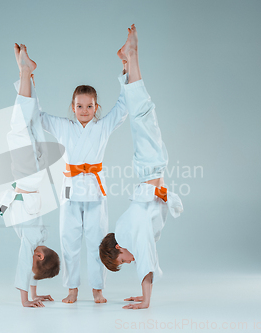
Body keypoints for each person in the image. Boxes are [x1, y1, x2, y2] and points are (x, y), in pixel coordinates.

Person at [14, 42, 129, 304]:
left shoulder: (102, 127)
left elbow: (123, 107)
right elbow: (37, 117)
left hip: (96, 194)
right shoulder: (64, 127)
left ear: (96, 107)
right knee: (69, 242)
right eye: (79, 106)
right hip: (69, 192)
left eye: (89, 106)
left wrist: (126, 68)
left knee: (97, 242)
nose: (84, 111)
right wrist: (29, 79)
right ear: (73, 106)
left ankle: (98, 289)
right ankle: (72, 288)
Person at [99, 24, 184, 309]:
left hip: (150, 167)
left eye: (123, 260)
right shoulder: (128, 231)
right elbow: (145, 253)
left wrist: (146, 299)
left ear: (118, 249)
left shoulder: (128, 232)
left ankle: (131, 56)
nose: (129, 261)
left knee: (142, 111)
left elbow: (146, 257)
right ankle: (127, 61)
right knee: (142, 112)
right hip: (150, 168)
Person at [0, 44, 60, 307]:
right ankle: (25, 73)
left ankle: (28, 75)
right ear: (40, 256)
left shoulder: (38, 239)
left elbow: (32, 267)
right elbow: (26, 264)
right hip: (27, 177)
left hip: (36, 175)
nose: (33, 258)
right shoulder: (33, 241)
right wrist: (26, 299)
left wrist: (36, 293)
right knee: (18, 128)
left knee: (32, 124)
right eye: (37, 262)